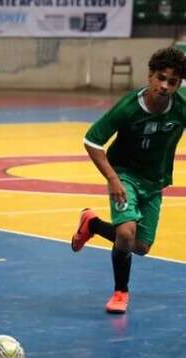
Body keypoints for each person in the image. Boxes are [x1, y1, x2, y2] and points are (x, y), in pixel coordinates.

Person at [71, 47, 186, 314]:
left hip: (155, 182)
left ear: (179, 84)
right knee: (125, 234)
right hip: (124, 175)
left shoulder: (180, 108)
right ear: (149, 76)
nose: (165, 86)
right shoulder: (128, 107)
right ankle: (120, 292)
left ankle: (93, 224)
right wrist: (112, 178)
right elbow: (92, 140)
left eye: (172, 82)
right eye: (160, 78)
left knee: (141, 247)